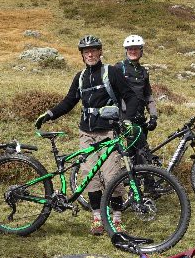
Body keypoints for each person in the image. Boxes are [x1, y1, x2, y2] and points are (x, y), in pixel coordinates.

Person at [34, 35, 141, 235]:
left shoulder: (112, 72)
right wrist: (49, 114)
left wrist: (127, 119)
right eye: (86, 51)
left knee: (112, 177)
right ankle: (97, 219)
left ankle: (116, 219)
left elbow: (131, 97)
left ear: (100, 52)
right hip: (86, 134)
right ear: (82, 55)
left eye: (93, 50)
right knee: (90, 176)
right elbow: (68, 102)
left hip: (109, 133)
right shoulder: (80, 77)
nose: (90, 54)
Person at [116, 34, 159, 164]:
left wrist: (153, 117)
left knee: (136, 154)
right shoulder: (119, 68)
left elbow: (148, 96)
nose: (132, 51)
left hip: (140, 118)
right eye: (130, 49)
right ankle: (148, 181)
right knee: (142, 150)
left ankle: (135, 178)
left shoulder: (144, 72)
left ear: (141, 51)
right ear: (126, 51)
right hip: (125, 118)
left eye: (135, 48)